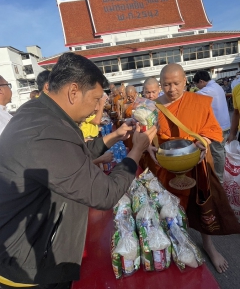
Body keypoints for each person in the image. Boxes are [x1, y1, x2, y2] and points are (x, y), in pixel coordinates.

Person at [0, 52, 157, 288]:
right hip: (30, 265)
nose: (97, 108)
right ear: (73, 92)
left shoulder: (39, 113)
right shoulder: (45, 131)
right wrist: (137, 151)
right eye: (95, 99)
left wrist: (114, 136)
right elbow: (104, 193)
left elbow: (73, 155)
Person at [145, 63, 228, 273]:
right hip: (167, 163)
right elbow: (145, 132)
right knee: (171, 206)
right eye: (166, 84)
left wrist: (204, 142)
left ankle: (208, 244)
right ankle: (178, 243)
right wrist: (147, 146)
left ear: (185, 82)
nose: (171, 89)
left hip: (196, 159)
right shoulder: (152, 106)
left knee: (202, 203)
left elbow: (211, 129)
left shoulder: (198, 101)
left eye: (175, 83)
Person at [193, 70, 230, 184]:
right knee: (221, 151)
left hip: (218, 127)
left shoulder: (208, 90)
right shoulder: (217, 86)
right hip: (224, 125)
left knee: (217, 153)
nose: (197, 88)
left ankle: (220, 178)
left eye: (197, 85)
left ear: (202, 81)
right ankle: (223, 174)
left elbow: (191, 96)